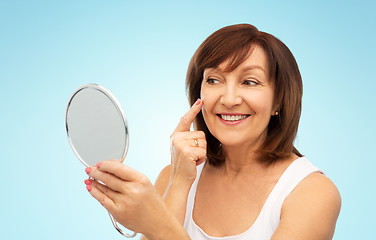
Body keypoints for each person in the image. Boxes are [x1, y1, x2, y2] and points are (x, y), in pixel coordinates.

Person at [83, 24, 341, 240]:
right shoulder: (174, 177)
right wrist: (180, 183)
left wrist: (154, 223)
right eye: (214, 80)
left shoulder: (312, 193)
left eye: (249, 82)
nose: (228, 99)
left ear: (278, 101)